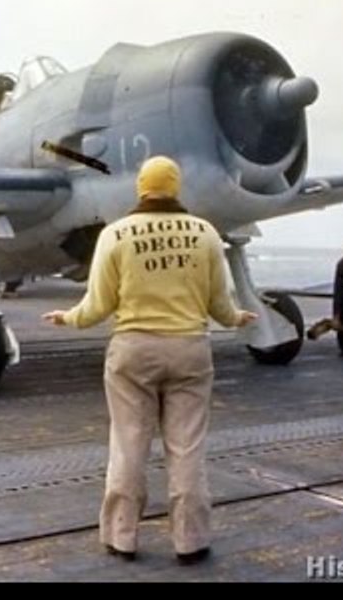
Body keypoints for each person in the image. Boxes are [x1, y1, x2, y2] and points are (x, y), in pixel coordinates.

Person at [42, 156, 256, 566]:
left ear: (141, 187)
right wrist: (235, 318)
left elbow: (98, 304)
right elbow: (218, 301)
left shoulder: (116, 234)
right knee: (187, 448)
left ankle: (122, 537)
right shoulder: (206, 233)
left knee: (128, 444)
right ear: (175, 187)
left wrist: (68, 318)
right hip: (190, 347)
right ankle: (190, 541)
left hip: (133, 350)